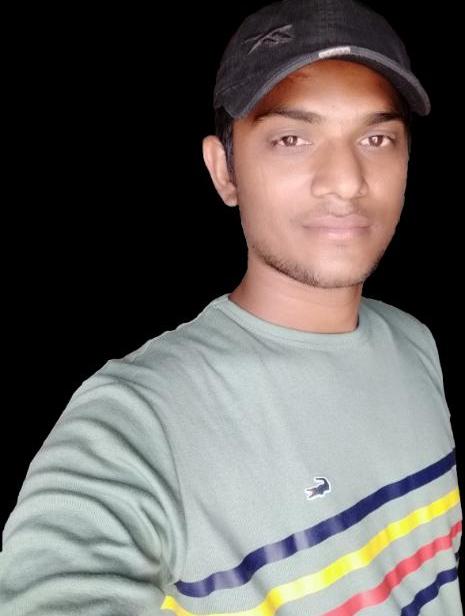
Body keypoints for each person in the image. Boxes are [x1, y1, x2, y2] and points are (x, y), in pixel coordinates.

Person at [0, 0, 462, 613]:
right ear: (224, 172)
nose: (346, 180)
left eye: (376, 138)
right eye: (292, 138)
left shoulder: (414, 343)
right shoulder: (136, 422)